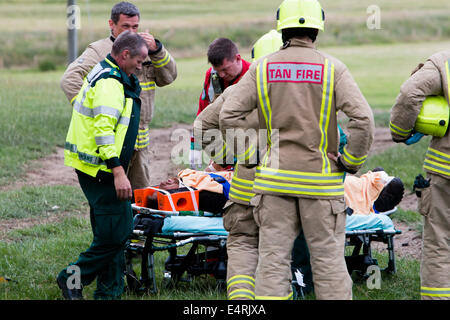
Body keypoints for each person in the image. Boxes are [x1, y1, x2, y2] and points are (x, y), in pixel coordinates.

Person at [219, 0, 374, 300]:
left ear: (281, 28)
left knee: (273, 262)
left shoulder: (262, 68)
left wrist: (254, 154)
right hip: (321, 186)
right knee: (328, 262)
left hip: (273, 184)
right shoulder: (333, 69)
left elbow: (229, 115)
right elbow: (363, 119)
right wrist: (350, 161)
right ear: (317, 28)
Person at [57, 31, 148, 300]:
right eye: (139, 61)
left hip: (99, 168)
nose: (141, 68)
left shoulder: (114, 73)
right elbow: (104, 131)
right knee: (116, 233)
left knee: (111, 231)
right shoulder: (110, 83)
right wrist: (118, 171)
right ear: (124, 55)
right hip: (102, 170)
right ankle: (71, 277)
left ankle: (109, 292)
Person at [193, 30, 283, 300]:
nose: (221, 75)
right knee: (280, 243)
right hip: (288, 180)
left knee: (243, 241)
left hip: (246, 179)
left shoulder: (240, 88)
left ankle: (241, 300)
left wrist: (240, 157)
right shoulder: (308, 90)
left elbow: (201, 125)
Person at [60, 1, 177, 191]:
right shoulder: (99, 50)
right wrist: (90, 109)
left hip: (140, 140)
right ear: (111, 25)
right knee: (112, 193)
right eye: (125, 26)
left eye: (135, 26)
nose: (131, 31)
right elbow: (69, 79)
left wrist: (157, 50)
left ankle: (135, 222)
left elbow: (168, 77)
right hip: (113, 139)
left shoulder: (145, 50)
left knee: (140, 195)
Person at [390, 49, 450, 300]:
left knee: (440, 242)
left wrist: (400, 130)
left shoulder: (444, 63)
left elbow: (409, 93)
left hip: (445, 169)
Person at [197, 38, 251, 115]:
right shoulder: (212, 74)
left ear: (238, 58)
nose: (221, 75)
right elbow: (203, 110)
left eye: (225, 69)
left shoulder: (252, 75)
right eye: (217, 70)